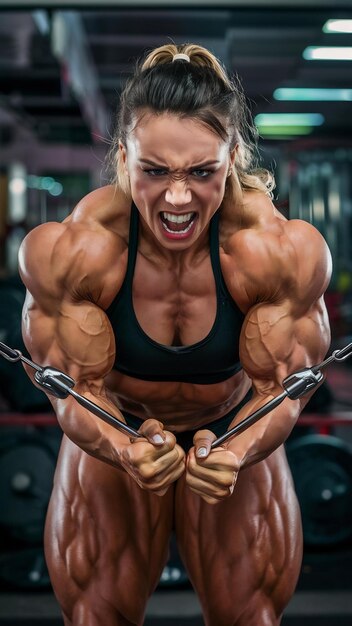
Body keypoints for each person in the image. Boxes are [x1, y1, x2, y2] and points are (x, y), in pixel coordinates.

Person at [19, 43, 331, 626]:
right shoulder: (73, 252)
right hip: (117, 423)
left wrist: (236, 452)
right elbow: (69, 386)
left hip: (235, 419)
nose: (178, 197)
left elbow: (288, 388)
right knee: (95, 614)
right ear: (122, 156)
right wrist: (121, 446)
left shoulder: (278, 253)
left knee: (252, 616)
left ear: (233, 156)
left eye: (202, 172)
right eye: (154, 171)